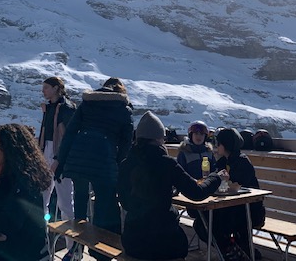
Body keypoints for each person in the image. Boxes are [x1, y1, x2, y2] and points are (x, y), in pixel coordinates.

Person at [118, 111, 229, 260]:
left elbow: (124, 201)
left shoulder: (126, 164)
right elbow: (197, 192)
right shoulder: (166, 163)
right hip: (164, 243)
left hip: (133, 242)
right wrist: (216, 177)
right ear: (159, 138)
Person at [55, 77, 133, 261]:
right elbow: (126, 143)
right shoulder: (123, 109)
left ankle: (75, 249)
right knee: (104, 206)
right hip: (105, 160)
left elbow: (70, 133)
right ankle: (102, 253)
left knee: (80, 203)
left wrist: (61, 161)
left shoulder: (87, 104)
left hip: (78, 157)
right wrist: (119, 165)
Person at [0, 124, 52, 261]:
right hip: (13, 248)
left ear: (10, 149)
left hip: (26, 254)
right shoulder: (11, 174)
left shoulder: (25, 180)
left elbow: (8, 222)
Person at [196, 127, 266, 258]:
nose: (216, 147)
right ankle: (230, 248)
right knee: (201, 222)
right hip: (229, 209)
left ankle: (235, 250)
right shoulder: (223, 162)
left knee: (212, 223)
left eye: (219, 143)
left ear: (226, 145)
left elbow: (236, 187)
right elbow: (216, 179)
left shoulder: (242, 162)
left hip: (247, 211)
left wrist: (225, 181)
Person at [38, 77, 76, 222]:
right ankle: (44, 236)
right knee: (43, 196)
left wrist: (59, 158)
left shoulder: (67, 108)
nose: (43, 91)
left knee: (65, 200)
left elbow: (68, 136)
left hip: (61, 154)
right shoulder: (49, 108)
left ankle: (72, 241)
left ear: (56, 88)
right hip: (46, 150)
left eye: (46, 87)